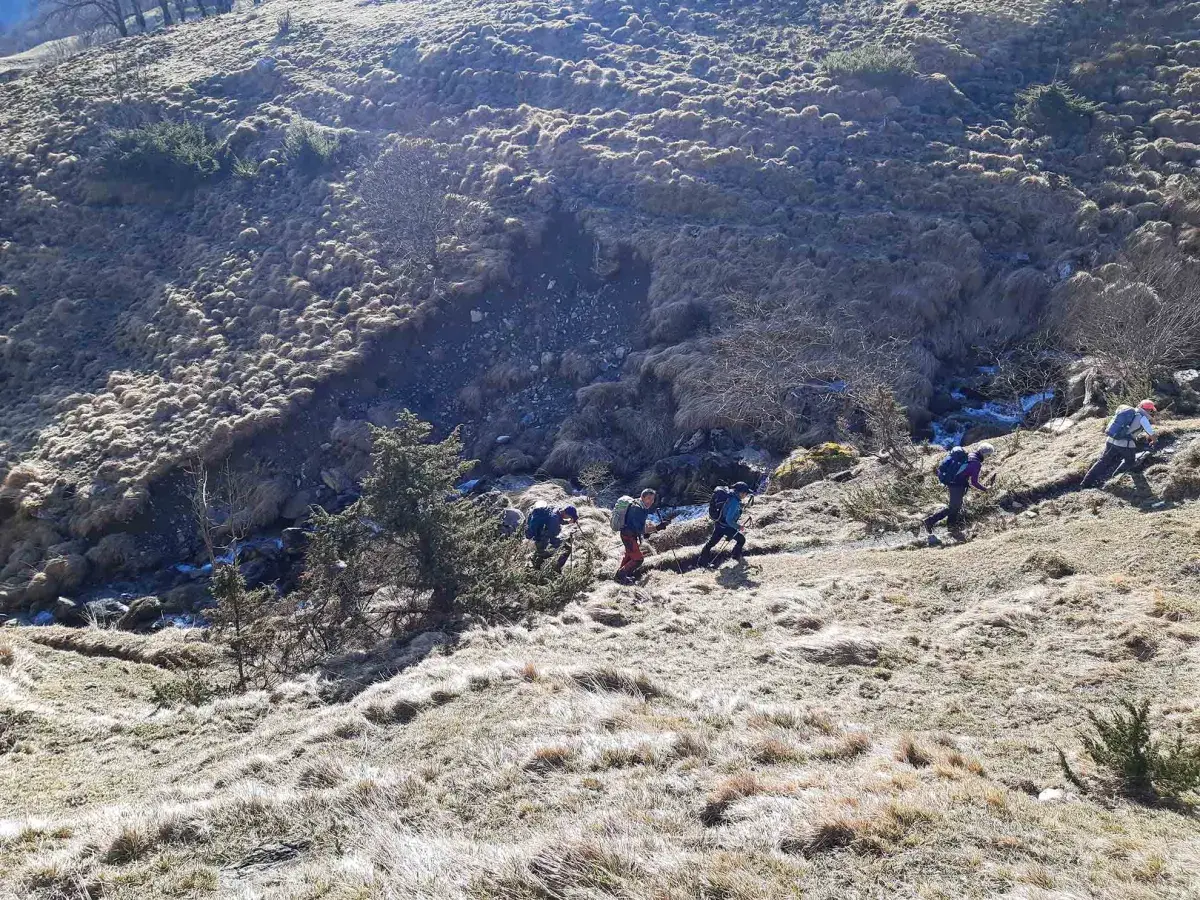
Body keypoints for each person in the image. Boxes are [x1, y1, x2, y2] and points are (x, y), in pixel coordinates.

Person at [1081, 400, 1157, 489]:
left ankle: (1085, 483)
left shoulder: (1128, 412)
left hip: (1111, 440)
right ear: (1149, 410)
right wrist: (1154, 441)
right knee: (1130, 462)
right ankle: (1115, 480)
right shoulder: (1143, 418)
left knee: (1102, 461)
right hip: (1125, 444)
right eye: (1151, 410)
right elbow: (1151, 434)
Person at [923, 443, 995, 534]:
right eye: (989, 455)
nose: (988, 457)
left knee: (956, 505)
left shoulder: (969, 455)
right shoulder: (976, 463)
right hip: (957, 485)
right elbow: (974, 482)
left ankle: (951, 526)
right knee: (953, 507)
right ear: (985, 454)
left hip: (952, 482)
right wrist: (985, 489)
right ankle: (930, 521)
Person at [698, 481, 752, 566]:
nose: (746, 495)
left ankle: (701, 563)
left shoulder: (731, 496)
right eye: (746, 493)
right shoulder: (734, 502)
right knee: (741, 540)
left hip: (719, 524)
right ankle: (736, 556)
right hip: (726, 527)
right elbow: (729, 520)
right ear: (741, 492)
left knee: (710, 544)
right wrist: (739, 527)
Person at [616, 489, 658, 583]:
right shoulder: (637, 509)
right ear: (642, 497)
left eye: (652, 499)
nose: (651, 501)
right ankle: (621, 575)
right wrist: (657, 528)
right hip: (628, 536)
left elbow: (640, 526)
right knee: (638, 559)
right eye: (649, 498)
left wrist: (651, 530)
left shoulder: (640, 506)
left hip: (628, 534)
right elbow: (641, 529)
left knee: (629, 556)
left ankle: (621, 575)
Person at [525, 503, 578, 569]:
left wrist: (567, 522)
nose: (568, 518)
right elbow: (553, 536)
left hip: (540, 538)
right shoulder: (555, 519)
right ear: (566, 513)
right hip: (543, 542)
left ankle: (536, 563)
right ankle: (556, 569)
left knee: (540, 559)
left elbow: (557, 521)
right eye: (569, 517)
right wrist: (566, 538)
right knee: (567, 547)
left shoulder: (555, 511)